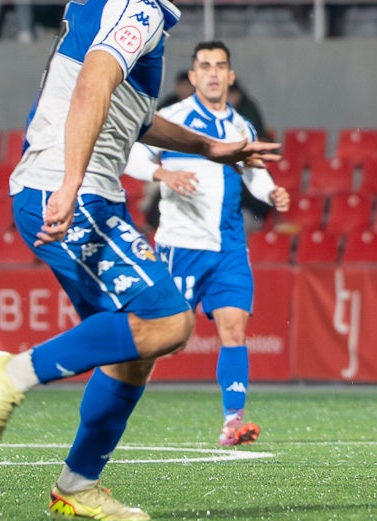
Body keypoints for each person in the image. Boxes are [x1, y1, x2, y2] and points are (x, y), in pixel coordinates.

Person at [0, 0, 278, 521]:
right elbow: (92, 85)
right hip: (72, 189)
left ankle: (77, 485)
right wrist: (72, 182)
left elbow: (128, 116)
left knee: (134, 353)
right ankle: (12, 374)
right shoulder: (138, 7)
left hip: (69, 186)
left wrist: (209, 147)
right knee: (169, 323)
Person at [123, 41, 288, 448]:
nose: (213, 73)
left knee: (234, 329)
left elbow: (254, 174)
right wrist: (164, 176)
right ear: (192, 77)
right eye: (205, 66)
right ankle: (114, 401)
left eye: (220, 66)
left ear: (230, 76)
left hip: (229, 248)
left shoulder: (243, 128)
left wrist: (271, 194)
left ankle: (233, 423)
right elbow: (129, 156)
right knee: (160, 338)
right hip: (181, 246)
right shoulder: (171, 120)